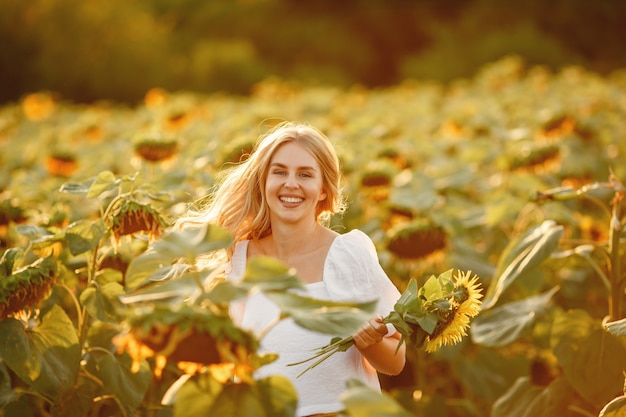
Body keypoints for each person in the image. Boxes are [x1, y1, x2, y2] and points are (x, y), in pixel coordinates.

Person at [178, 121, 406, 417]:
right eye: (280, 172)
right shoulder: (240, 257)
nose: (291, 184)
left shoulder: (347, 254)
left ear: (323, 189)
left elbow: (395, 362)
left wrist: (369, 344)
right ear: (264, 181)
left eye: (305, 174)